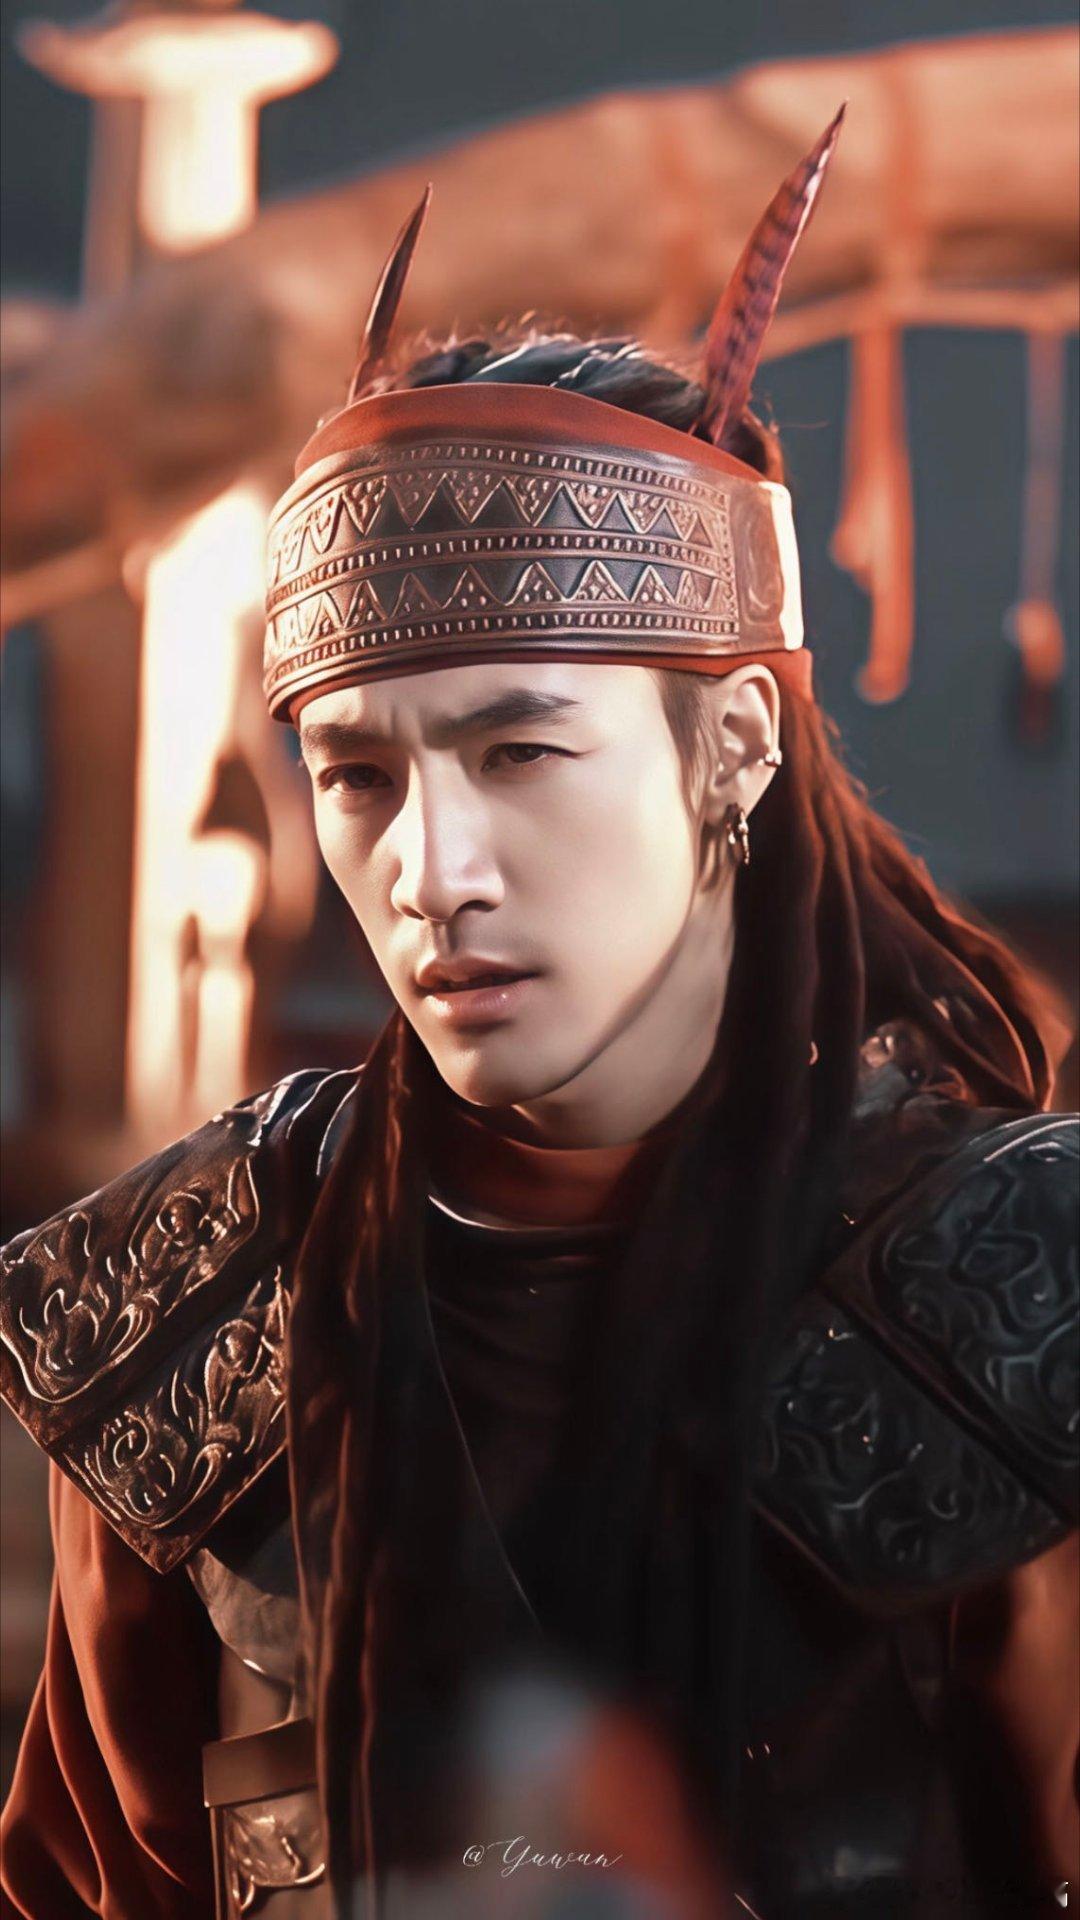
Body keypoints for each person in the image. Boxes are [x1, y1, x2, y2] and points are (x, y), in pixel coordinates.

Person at [2, 116, 1077, 1920]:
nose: (431, 870)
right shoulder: (193, 1311)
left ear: (733, 744)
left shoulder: (1018, 1299)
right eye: (357, 774)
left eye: (519, 752)